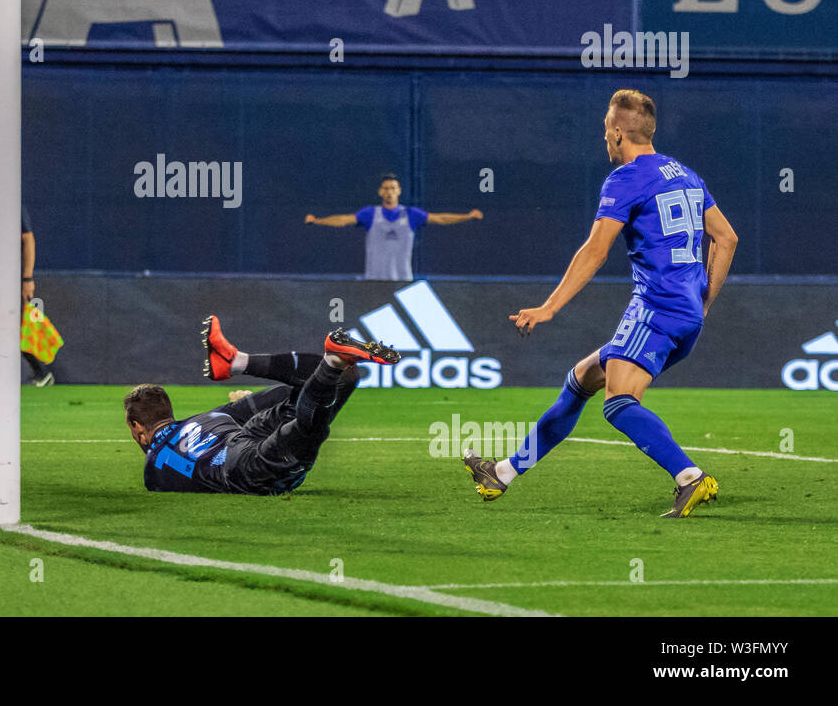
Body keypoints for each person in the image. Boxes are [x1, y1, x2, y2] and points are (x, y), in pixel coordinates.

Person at [463, 89, 738, 519]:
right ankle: (502, 472)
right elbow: (727, 238)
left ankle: (689, 477)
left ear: (616, 134)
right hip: (684, 313)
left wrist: (549, 307)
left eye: (605, 132)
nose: (604, 140)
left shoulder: (626, 179)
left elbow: (595, 250)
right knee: (580, 380)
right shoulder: (685, 174)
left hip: (656, 308)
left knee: (619, 402)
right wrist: (703, 303)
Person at [124, 317, 401, 495]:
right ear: (168, 412)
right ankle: (239, 362)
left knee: (309, 428)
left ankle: (332, 363)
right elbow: (287, 390)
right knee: (337, 382)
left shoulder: (153, 472)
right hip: (241, 438)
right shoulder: (206, 419)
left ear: (136, 427)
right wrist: (246, 402)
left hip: (243, 469)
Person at [304, 173, 482, 280]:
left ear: (399, 191)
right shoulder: (370, 214)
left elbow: (440, 218)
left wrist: (467, 216)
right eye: (386, 188)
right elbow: (344, 220)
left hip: (402, 280)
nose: (389, 192)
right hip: (374, 281)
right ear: (381, 192)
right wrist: (319, 220)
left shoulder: (412, 214)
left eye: (393, 188)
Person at [0, 206, 59, 387]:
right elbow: (4, 245)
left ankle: (41, 372)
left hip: (12, 275)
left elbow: (28, 240)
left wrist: (27, 278)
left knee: (14, 327)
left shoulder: (12, 203)